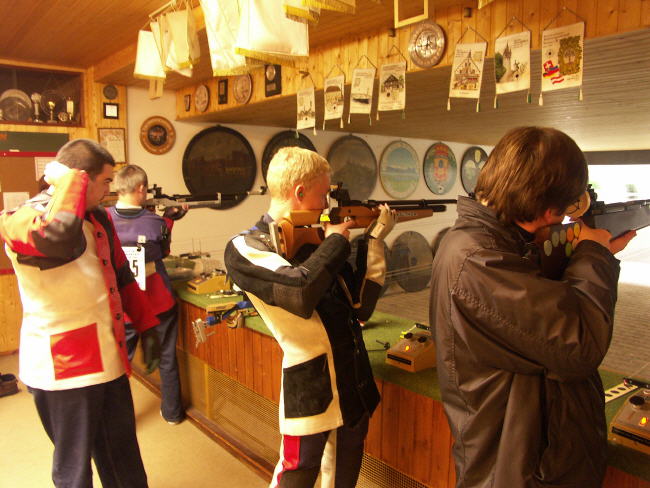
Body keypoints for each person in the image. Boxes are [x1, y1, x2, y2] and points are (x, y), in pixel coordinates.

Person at [429, 127, 637, 488]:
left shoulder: (491, 244)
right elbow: (580, 345)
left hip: (529, 457)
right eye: (564, 208)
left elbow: (539, 302)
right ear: (548, 208)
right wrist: (594, 255)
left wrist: (586, 252)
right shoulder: (480, 260)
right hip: (520, 469)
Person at [224, 147, 396, 488]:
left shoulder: (315, 240)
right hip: (310, 385)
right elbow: (298, 292)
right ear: (300, 192)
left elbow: (360, 306)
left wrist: (374, 239)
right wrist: (335, 243)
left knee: (344, 472)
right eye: (322, 194)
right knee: (298, 473)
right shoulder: (245, 247)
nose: (326, 205)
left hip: (352, 378)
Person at [0, 139, 161, 488]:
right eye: (105, 181)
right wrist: (68, 179)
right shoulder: (18, 219)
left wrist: (147, 325)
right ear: (80, 179)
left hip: (108, 358)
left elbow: (121, 275)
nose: (109, 191)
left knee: (123, 458)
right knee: (74, 469)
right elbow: (56, 237)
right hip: (63, 367)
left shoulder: (98, 218)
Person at [107, 164, 186, 424]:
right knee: (167, 358)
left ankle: (116, 419)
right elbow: (163, 251)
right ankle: (173, 413)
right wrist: (169, 219)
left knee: (119, 362)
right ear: (141, 189)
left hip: (122, 304)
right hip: (157, 301)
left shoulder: (103, 219)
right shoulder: (156, 223)